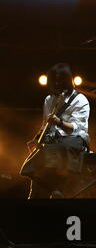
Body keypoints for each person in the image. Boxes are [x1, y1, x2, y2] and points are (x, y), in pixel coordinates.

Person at [20, 63, 90, 199]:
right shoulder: (49, 100)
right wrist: (36, 138)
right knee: (39, 152)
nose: (57, 84)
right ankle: (36, 194)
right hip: (54, 139)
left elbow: (76, 128)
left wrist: (59, 122)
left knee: (60, 148)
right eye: (54, 81)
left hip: (75, 139)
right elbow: (45, 125)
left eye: (60, 80)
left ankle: (59, 188)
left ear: (68, 81)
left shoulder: (80, 100)